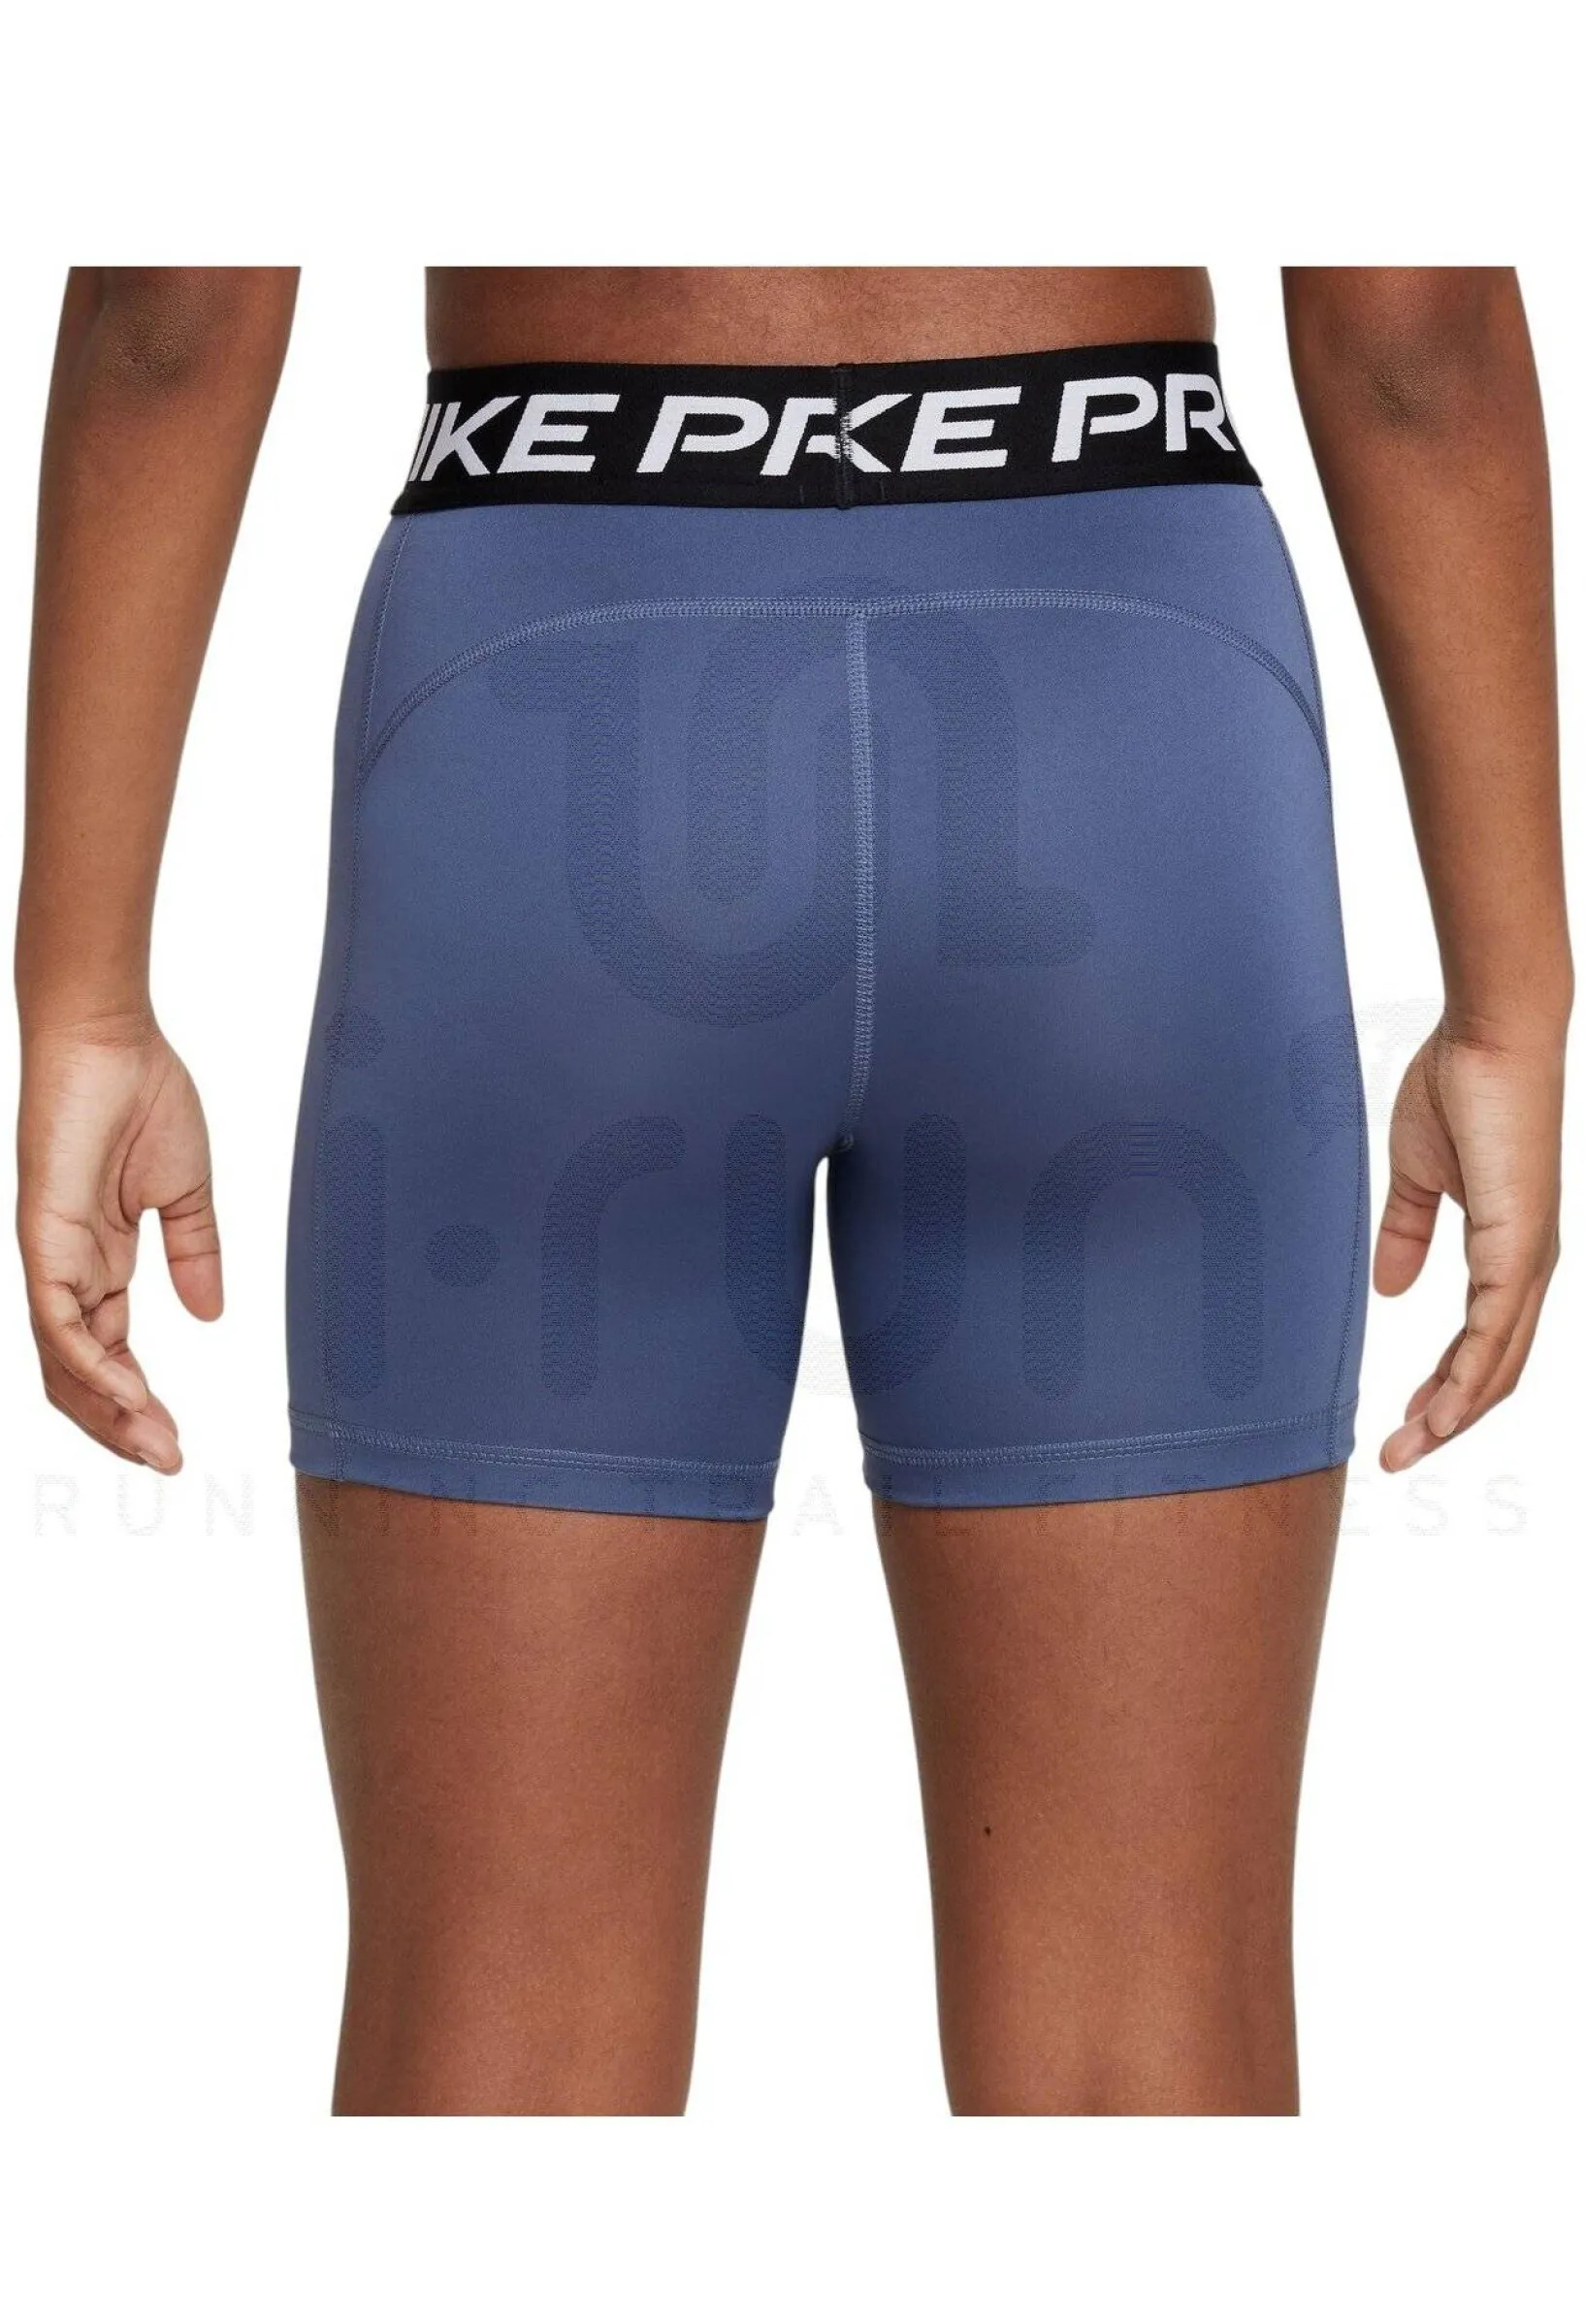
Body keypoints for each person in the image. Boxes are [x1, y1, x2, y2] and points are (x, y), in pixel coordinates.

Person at [16, 268, 1567, 2115]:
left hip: (556, 699)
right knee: (1141, 2047)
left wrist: (80, 988)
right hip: (1125, 716)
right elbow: (1410, 335)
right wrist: (1511, 996)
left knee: (500, 2044)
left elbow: (173, 318)